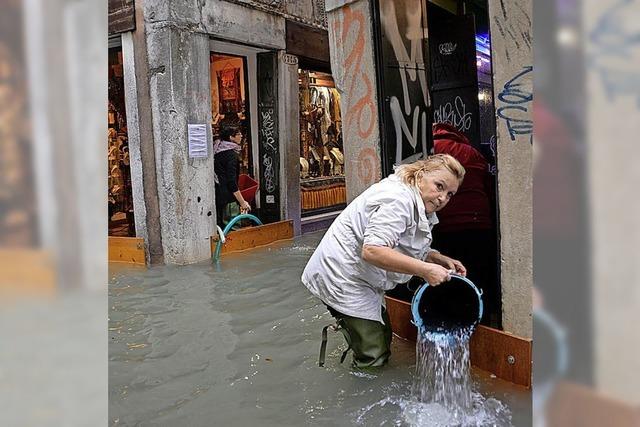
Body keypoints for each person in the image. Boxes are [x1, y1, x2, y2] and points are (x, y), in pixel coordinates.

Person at [302, 154, 467, 368]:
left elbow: (400, 243)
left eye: (450, 194)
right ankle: (363, 396)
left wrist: (435, 257)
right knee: (374, 355)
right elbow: (373, 250)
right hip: (343, 277)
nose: (442, 198)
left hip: (361, 277)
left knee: (382, 335)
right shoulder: (398, 200)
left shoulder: (414, 198)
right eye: (439, 186)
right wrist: (425, 270)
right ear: (421, 175)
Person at [431, 122, 499, 326]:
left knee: (446, 275)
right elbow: (488, 186)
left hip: (446, 225)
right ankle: (481, 323)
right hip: (479, 223)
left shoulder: (433, 149)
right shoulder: (472, 151)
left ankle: (449, 322)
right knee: (477, 276)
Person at [214, 124, 251, 228]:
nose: (241, 136)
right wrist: (242, 202)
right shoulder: (231, 155)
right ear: (231, 137)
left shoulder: (218, 151)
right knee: (232, 229)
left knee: (222, 228)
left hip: (219, 196)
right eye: (238, 134)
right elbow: (231, 181)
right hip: (229, 198)